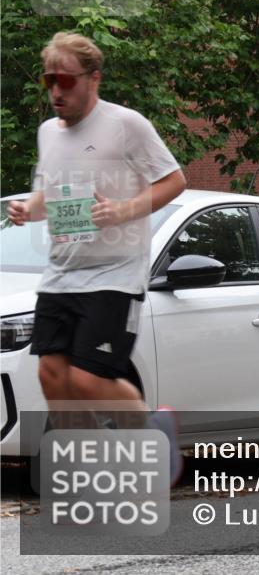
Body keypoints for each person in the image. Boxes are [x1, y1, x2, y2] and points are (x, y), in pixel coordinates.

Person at [6, 32, 187, 484]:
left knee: (88, 380)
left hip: (116, 273)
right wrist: (30, 208)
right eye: (49, 79)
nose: (56, 91)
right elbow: (51, 191)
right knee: (51, 373)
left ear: (93, 79)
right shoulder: (48, 131)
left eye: (65, 80)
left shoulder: (127, 125)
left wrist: (124, 210)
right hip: (62, 272)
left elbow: (174, 180)